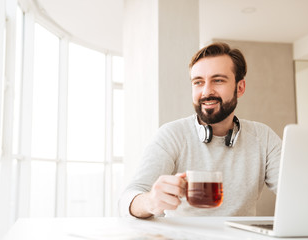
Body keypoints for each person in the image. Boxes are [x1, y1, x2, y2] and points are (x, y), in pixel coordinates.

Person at [118, 42, 282, 218]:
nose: (206, 91)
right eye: (198, 82)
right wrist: (150, 201)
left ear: (240, 88)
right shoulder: (172, 134)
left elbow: (296, 191)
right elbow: (127, 201)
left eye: (218, 80)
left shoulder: (263, 137)